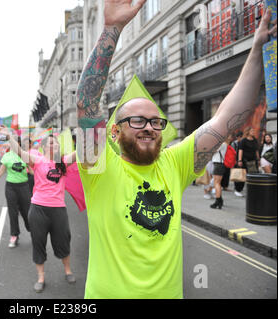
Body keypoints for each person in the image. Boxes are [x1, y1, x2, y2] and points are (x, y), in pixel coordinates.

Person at [75, 0, 276, 299]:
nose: (149, 127)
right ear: (114, 132)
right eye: (138, 120)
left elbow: (227, 117)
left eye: (156, 121)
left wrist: (259, 49)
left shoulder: (174, 163)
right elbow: (87, 103)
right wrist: (112, 30)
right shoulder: (98, 168)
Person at [0, 126, 77, 293]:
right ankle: (41, 277)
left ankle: (68, 270)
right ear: (43, 147)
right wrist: (10, 136)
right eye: (49, 143)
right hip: (38, 209)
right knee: (38, 243)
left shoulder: (63, 162)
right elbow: (19, 152)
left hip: (58, 210)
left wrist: (94, 134)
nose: (53, 145)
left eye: (55, 143)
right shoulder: (37, 160)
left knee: (64, 240)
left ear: (58, 147)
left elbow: (81, 154)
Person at [0, 137, 31, 248]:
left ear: (18, 144)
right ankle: (14, 235)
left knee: (26, 212)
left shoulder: (25, 155)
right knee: (12, 212)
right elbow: (0, 172)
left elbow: (34, 170)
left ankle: (31, 229)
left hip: (24, 187)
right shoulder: (7, 156)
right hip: (11, 187)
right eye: (10, 143)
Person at [210, 140, 230, 209]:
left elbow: (212, 151)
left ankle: (217, 201)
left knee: (217, 183)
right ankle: (220, 200)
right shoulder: (225, 143)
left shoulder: (221, 144)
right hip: (220, 164)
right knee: (218, 183)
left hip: (218, 164)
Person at [231, 131, 245, 197]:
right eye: (239, 137)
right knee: (237, 173)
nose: (240, 138)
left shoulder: (243, 142)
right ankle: (237, 188)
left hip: (242, 160)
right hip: (236, 160)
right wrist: (235, 160)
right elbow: (232, 153)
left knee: (242, 174)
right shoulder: (234, 143)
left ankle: (239, 188)